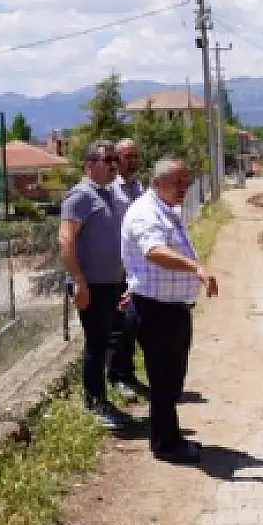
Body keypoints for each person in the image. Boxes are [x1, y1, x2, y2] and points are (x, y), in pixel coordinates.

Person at [121, 157, 218, 462]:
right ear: (157, 183)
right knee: (164, 382)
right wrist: (196, 268)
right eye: (178, 183)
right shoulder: (146, 214)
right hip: (155, 312)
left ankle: (169, 438)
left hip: (169, 309)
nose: (185, 189)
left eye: (186, 183)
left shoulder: (166, 210)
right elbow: (154, 251)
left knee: (171, 380)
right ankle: (167, 445)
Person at [59, 140, 132, 428]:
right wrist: (78, 281)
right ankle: (93, 403)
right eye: (108, 160)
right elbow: (66, 240)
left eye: (116, 159)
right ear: (90, 165)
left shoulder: (107, 194)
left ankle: (102, 397)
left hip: (111, 283)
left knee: (107, 341)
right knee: (96, 343)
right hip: (92, 285)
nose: (115, 165)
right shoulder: (79, 197)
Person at [107, 137, 148, 399]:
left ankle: (129, 374)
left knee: (131, 324)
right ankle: (117, 377)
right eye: (127, 156)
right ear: (117, 159)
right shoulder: (111, 190)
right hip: (116, 269)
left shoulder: (139, 187)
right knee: (116, 326)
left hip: (136, 269)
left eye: (135, 156)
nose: (132, 161)